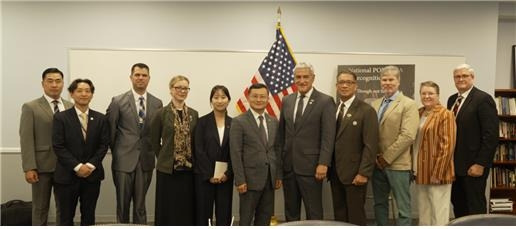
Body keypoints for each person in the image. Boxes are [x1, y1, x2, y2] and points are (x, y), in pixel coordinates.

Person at [278, 62, 336, 221]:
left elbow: (328, 136)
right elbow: (281, 135)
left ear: (313, 78)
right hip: (289, 166)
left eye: (305, 77)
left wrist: (323, 163)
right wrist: (280, 164)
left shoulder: (325, 101)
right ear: (294, 79)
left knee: (314, 212)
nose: (302, 80)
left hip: (312, 167)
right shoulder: (287, 100)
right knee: (291, 211)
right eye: (298, 77)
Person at [106, 63, 163, 224]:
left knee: (140, 206)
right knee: (122, 205)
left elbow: (156, 132)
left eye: (144, 75)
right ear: (131, 77)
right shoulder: (117, 101)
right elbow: (111, 130)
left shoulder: (157, 103)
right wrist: (117, 151)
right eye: (137, 75)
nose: (140, 78)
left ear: (149, 79)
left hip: (145, 160)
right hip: (123, 160)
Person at [52, 78, 110, 226]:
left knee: (89, 216)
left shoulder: (101, 118)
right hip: (66, 176)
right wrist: (78, 167)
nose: (83, 94)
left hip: (92, 176)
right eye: (79, 91)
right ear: (72, 94)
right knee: (66, 217)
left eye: (87, 91)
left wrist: (89, 166)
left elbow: (103, 145)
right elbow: (58, 146)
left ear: (92, 94)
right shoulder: (60, 118)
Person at [19, 67, 73, 225]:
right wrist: (29, 167)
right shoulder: (31, 107)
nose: (54, 84)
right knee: (40, 207)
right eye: (50, 81)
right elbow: (26, 138)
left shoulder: (70, 106)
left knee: (64, 207)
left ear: (63, 84)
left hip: (66, 166)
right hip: (41, 167)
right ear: (43, 84)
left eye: (58, 81)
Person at [447, 64, 499, 218]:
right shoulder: (452, 100)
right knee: (458, 204)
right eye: (457, 76)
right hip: (454, 166)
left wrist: (481, 163)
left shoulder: (483, 99)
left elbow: (491, 135)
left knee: (474, 207)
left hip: (473, 166)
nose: (461, 79)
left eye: (465, 76)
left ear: (472, 78)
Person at [371, 65, 419, 226]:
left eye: (391, 79)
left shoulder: (408, 104)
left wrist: (386, 157)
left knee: (403, 208)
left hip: (398, 164)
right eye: (384, 80)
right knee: (379, 204)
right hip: (377, 164)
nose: (387, 83)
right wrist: (376, 158)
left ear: (398, 81)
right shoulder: (375, 104)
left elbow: (408, 136)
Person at [330, 69, 379, 225]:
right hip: (335, 173)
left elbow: (371, 145)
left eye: (349, 82)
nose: (344, 86)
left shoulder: (366, 110)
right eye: (341, 82)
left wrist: (364, 172)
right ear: (337, 86)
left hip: (355, 174)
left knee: (355, 216)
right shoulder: (332, 109)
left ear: (355, 86)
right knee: (339, 214)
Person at [230, 83, 282, 226]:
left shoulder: (273, 121)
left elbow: (277, 149)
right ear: (248, 97)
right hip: (249, 181)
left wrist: (278, 175)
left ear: (267, 99)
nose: (259, 99)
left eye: (262, 97)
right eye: (255, 96)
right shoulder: (239, 122)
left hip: (269, 180)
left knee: (264, 218)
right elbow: (235, 153)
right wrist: (240, 180)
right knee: (246, 219)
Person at [151, 75, 198, 226]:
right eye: (178, 87)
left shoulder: (193, 114)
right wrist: (165, 157)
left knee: (185, 206)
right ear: (171, 90)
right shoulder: (161, 113)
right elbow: (153, 141)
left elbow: (196, 140)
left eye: (185, 88)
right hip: (167, 170)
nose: (182, 91)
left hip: (188, 169)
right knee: (167, 206)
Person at [414, 81, 456, 225]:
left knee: (439, 214)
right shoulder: (418, 113)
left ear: (438, 95)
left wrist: (437, 173)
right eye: (423, 93)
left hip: (438, 172)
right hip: (421, 170)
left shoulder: (445, 114)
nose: (427, 96)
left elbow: (447, 146)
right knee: (424, 211)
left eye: (430, 93)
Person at [194, 85, 233, 226]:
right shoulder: (202, 122)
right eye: (216, 97)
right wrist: (210, 174)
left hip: (225, 178)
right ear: (211, 100)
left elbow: (235, 152)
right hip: (205, 177)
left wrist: (227, 174)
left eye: (223, 97)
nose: (220, 101)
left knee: (224, 214)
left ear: (228, 100)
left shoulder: (234, 123)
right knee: (204, 214)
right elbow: (198, 150)